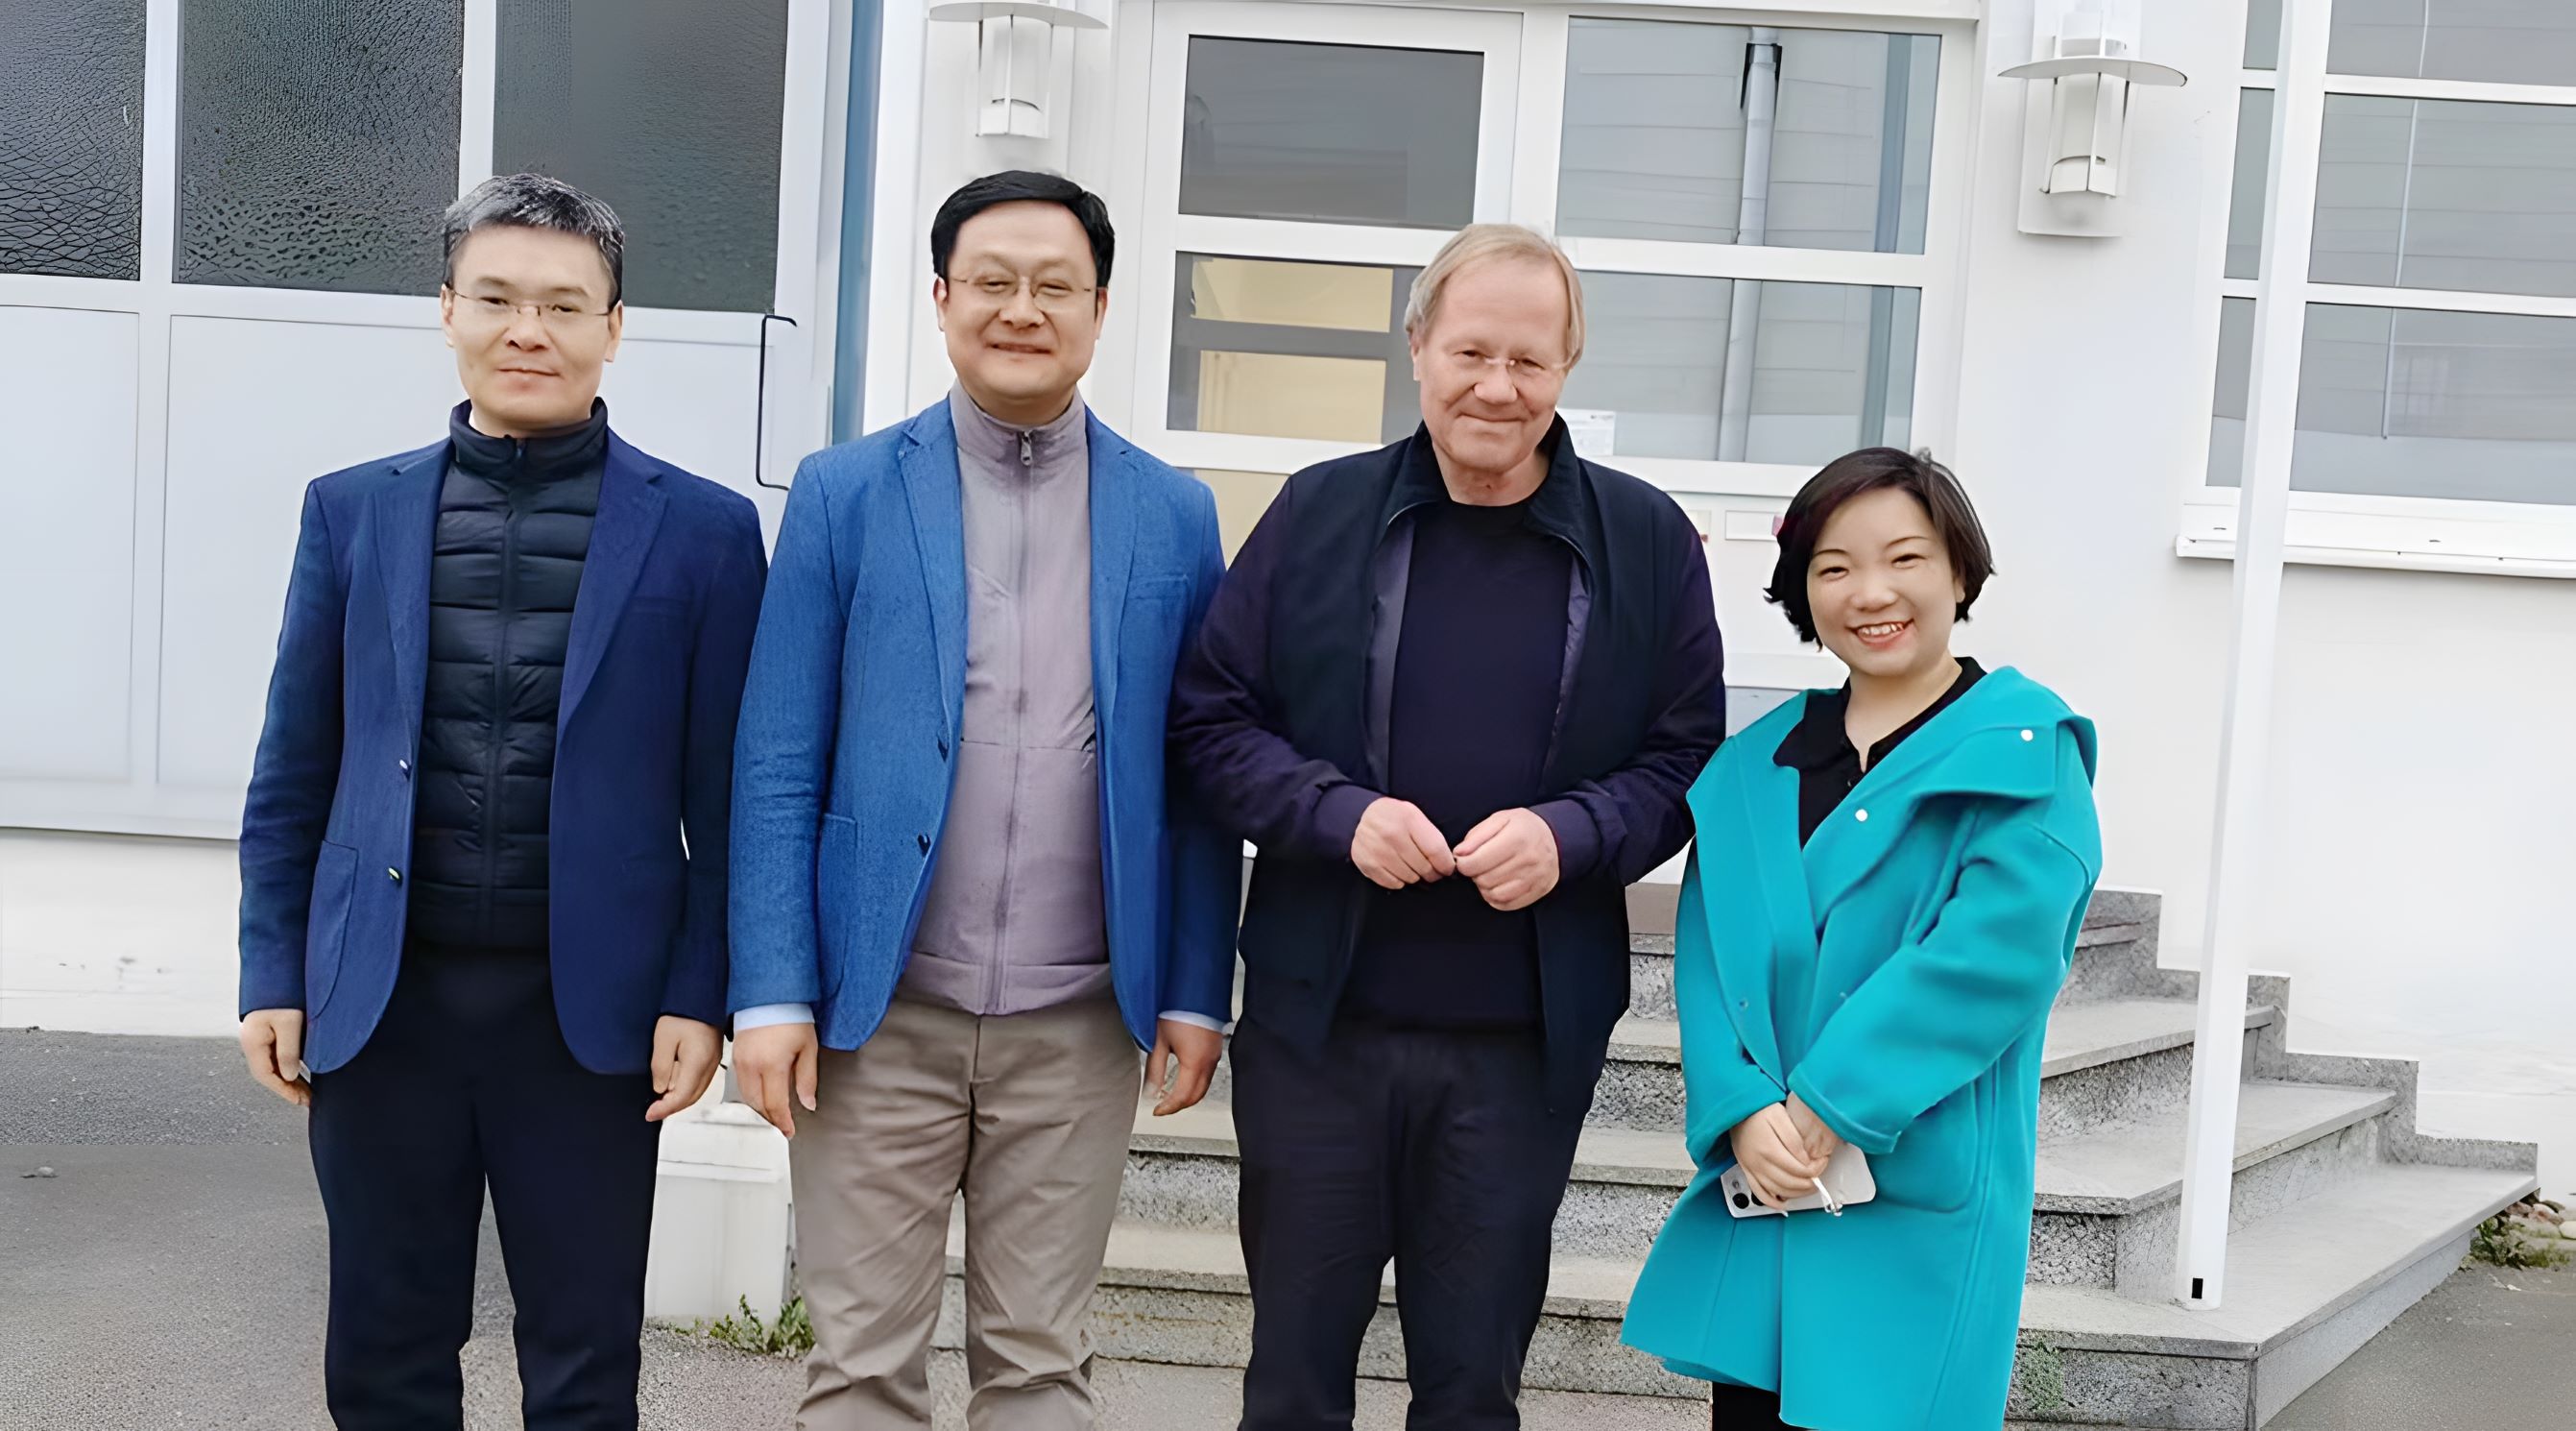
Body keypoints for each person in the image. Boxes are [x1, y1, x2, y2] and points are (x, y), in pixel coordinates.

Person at [1168, 223, 1726, 1429]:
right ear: (1417, 345)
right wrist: (1337, 814)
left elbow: (1687, 757)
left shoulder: (1645, 539)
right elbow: (1210, 722)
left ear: (1567, 365)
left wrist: (1574, 833)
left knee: (1473, 1390)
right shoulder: (1317, 512)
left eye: (1529, 360)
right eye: (1471, 352)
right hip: (1319, 1032)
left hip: (1520, 1047)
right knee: (1291, 1384)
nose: (1497, 387)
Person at [233, 173, 768, 1427]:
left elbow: (728, 800)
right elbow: (295, 765)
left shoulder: (704, 533)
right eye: (497, 299)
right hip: (386, 1002)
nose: (529, 330)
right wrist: (271, 967)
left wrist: (700, 992)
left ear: (613, 327)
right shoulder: (352, 511)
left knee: (584, 1360)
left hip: (588, 1018)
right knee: (384, 1350)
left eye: (564, 305)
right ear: (448, 310)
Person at [725, 170, 1240, 1430]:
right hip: (875, 1009)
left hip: (1077, 1017)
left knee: (1038, 1366)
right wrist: (771, 990)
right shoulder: (844, 491)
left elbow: (1195, 775)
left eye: (1055, 285)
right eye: (993, 282)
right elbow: (778, 756)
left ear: (1100, 308)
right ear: (942, 297)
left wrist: (1192, 986)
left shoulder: (1173, 514)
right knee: (859, 1365)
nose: (1023, 308)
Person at [1620, 449, 2104, 1430]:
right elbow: (1708, 960)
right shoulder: (1752, 766)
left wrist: (1830, 1101)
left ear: (1959, 572)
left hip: (1912, 1175)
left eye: (1904, 558)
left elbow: (1989, 960)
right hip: (1771, 1172)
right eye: (1834, 566)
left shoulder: (2021, 749)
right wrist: (1741, 1107)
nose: (1871, 592)